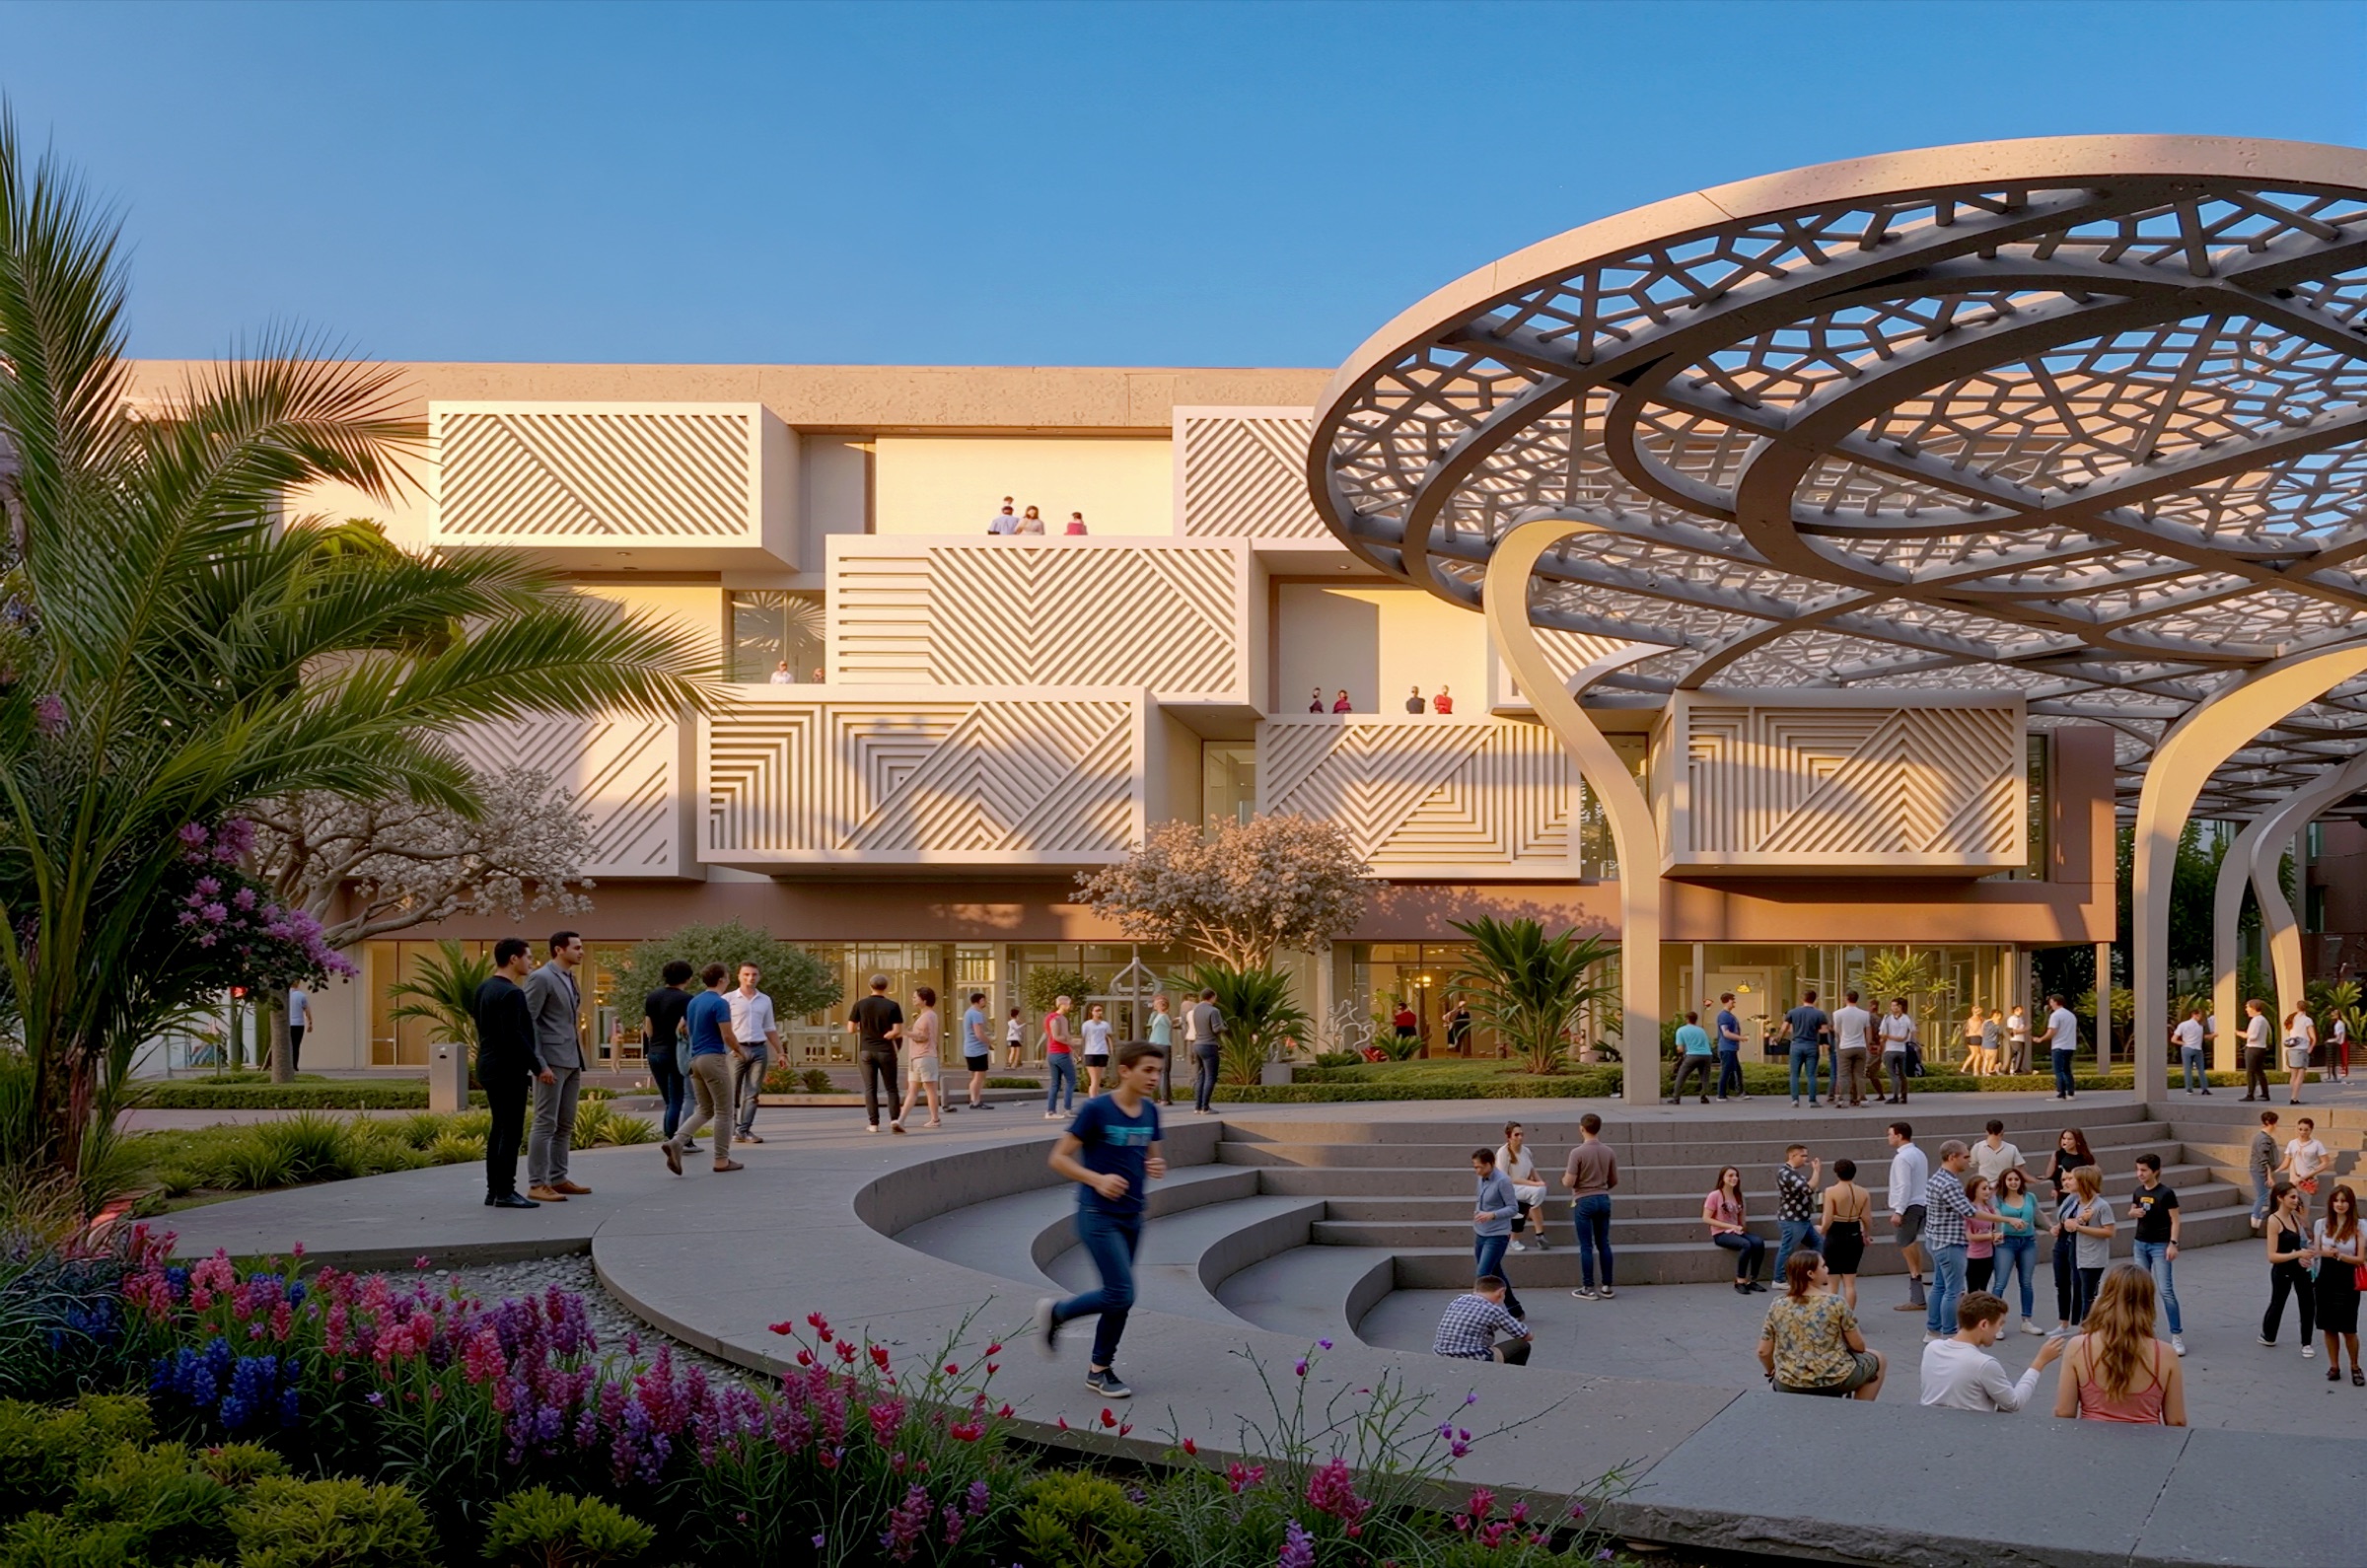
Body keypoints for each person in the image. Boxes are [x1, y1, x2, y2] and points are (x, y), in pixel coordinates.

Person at [1034, 1041, 1167, 1399]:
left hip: (1132, 1216)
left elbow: (1151, 1158)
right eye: (1147, 1070)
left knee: (1118, 1297)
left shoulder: (1151, 1112)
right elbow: (1058, 1158)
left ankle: (1099, 1370)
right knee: (1121, 1291)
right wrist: (1097, 1179)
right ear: (1125, 1070)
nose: (1155, 1076)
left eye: (1158, 1070)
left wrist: (1154, 1166)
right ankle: (1058, 1313)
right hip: (1097, 1215)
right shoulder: (1096, 1109)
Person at [2052, 1264, 2187, 1425]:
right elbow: (2176, 1421)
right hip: (2148, 1447)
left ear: (2106, 1297)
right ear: (2147, 1303)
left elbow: (2064, 1412)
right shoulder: (2166, 1354)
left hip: (2091, 1445)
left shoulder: (2079, 1346)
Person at [470, 937, 543, 1210]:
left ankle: (494, 1191)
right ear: (514, 959)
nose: (531, 962)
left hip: (489, 1065)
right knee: (510, 1132)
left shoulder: (484, 989)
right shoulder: (512, 994)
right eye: (528, 957)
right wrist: (538, 1067)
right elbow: (515, 1035)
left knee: (499, 1129)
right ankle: (506, 1191)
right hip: (507, 1068)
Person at [1757, 1252, 1885, 1400]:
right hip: (1836, 1378)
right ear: (1811, 1273)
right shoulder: (1835, 1302)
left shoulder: (1778, 1304)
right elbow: (1859, 1346)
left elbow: (1763, 1351)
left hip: (1790, 1381)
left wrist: (1772, 1370)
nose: (1827, 1269)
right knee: (1879, 1359)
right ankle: (1860, 1408)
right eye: (1823, 1266)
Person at [660, 962, 747, 1176]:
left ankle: (677, 1141)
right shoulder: (719, 1003)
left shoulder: (694, 1002)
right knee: (725, 1111)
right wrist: (740, 1050)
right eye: (727, 977)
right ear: (722, 980)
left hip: (694, 1060)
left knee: (705, 1109)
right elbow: (726, 1034)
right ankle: (721, 1160)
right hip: (713, 1058)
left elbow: (683, 1028)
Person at [523, 931, 588, 1204]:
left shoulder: (570, 978)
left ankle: (558, 1177)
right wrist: (539, 1063)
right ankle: (537, 1183)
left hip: (572, 1058)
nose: (581, 951)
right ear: (559, 950)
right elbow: (528, 1022)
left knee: (565, 1123)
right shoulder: (541, 978)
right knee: (545, 1122)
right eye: (577, 947)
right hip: (550, 1060)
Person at [1921, 1291, 2065, 1412]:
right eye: (2000, 1324)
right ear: (1984, 1324)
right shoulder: (1983, 1364)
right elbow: (2013, 1403)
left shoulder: (1932, 1348)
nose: (1999, 1331)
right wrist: (2039, 1362)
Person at [2127, 1152, 2187, 1356]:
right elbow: (2132, 1209)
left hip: (2160, 1245)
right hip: (2140, 1243)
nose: (2140, 1174)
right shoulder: (2137, 1191)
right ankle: (2144, 1331)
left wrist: (2173, 1244)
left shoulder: (2166, 1193)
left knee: (2165, 1290)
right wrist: (2132, 1213)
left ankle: (2176, 1334)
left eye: (2144, 1170)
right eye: (2138, 1170)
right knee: (2141, 1289)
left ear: (2155, 1171)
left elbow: (2175, 1220)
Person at [1921, 1140, 1978, 1342]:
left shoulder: (1936, 1178)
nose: (1968, 1161)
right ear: (1952, 1157)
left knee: (1939, 1285)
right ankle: (1949, 1332)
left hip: (1935, 1239)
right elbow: (1970, 1211)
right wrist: (2006, 1219)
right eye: (1965, 1156)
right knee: (1953, 1290)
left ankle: (1933, 1330)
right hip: (1949, 1243)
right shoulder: (1950, 1183)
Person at [2313, 1182, 2364, 1385]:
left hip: (2347, 1277)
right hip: (2325, 1276)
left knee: (2348, 1327)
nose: (2340, 1204)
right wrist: (2327, 1253)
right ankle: (2334, 1365)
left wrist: (2339, 1256)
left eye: (2344, 1201)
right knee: (2328, 1326)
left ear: (2350, 1204)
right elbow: (2316, 1251)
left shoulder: (2360, 1226)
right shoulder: (2321, 1224)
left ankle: (2355, 1366)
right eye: (2336, 1200)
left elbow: (2360, 1259)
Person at [1563, 1112, 1618, 1300]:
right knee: (1604, 1243)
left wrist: (1565, 1180)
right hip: (1603, 1198)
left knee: (1586, 1246)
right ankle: (1607, 1286)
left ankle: (1588, 1287)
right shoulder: (1608, 1151)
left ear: (1582, 1128)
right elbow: (1613, 1180)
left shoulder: (1577, 1153)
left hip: (1584, 1199)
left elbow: (1569, 1181)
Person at [1469, 1149, 1527, 1318]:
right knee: (1496, 1272)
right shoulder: (1481, 1178)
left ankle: (1476, 1312)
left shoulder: (1503, 1181)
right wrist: (1479, 1212)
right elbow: (1481, 1199)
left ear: (1490, 1164)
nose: (1476, 1171)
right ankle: (1514, 1308)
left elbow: (1513, 1208)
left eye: (1479, 1167)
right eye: (1475, 1167)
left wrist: (1492, 1214)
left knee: (1483, 1274)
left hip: (1497, 1235)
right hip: (1481, 1232)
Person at [641, 960, 695, 1144]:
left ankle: (668, 1135)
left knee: (668, 1099)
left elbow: (648, 1026)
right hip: (674, 1053)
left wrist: (654, 1041)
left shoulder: (653, 997)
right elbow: (685, 1028)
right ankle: (675, 1140)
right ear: (688, 978)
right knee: (677, 1099)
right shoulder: (687, 999)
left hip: (654, 1051)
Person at [727, 962, 780, 1145]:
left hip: (759, 1048)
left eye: (754, 975)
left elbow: (770, 1028)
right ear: (739, 976)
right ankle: (733, 1129)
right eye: (746, 974)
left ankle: (745, 1130)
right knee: (733, 1091)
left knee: (753, 1092)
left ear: (759, 977)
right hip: (736, 1049)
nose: (750, 978)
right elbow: (721, 1028)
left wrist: (781, 1052)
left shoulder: (764, 1000)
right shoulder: (728, 999)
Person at [2056, 1165, 2114, 1330]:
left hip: (2093, 1256)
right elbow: (2068, 1224)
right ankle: (2084, 1328)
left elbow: (2109, 1231)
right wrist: (2076, 1223)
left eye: (2072, 1178)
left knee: (2088, 1295)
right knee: (2080, 1293)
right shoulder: (2077, 1203)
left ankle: (2089, 1330)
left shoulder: (2101, 1206)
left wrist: (2079, 1227)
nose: (2068, 1181)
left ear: (2083, 1182)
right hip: (2077, 1254)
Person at [2260, 1182, 2316, 1356]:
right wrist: (2297, 1254)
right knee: (2278, 1302)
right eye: (2292, 1197)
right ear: (2280, 1198)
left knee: (2308, 1303)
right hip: (2282, 1268)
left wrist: (2304, 1221)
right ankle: (2268, 1334)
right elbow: (2272, 1256)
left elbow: (2310, 1238)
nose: (2296, 1200)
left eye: (2296, 1196)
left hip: (2299, 1267)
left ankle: (2306, 1343)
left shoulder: (2295, 1217)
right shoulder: (2274, 1220)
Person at [846, 973, 905, 1133]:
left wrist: (864, 1029)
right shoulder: (893, 1006)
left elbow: (850, 1029)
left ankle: (873, 1124)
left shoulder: (860, 1004)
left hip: (866, 1050)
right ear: (886, 987)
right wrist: (888, 1034)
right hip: (886, 1051)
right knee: (891, 1088)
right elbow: (897, 1031)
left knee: (870, 1088)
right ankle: (895, 1120)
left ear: (870, 986)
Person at [1990, 1167, 2044, 1335]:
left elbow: (2038, 1216)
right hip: (2006, 1243)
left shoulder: (2030, 1197)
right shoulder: (1997, 1199)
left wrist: (2052, 1227)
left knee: (2026, 1282)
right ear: (2004, 1182)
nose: (2013, 1182)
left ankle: (2026, 1320)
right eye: (2010, 1179)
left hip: (2028, 1242)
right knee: (2000, 1282)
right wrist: (1999, 1232)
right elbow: (1996, 1219)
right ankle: (1995, 1323)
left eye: (2016, 1179)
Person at [1432, 1275, 1531, 1364]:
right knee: (1522, 1345)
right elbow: (1525, 1335)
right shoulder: (1494, 1310)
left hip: (1441, 1354)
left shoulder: (1459, 1300)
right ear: (1501, 1293)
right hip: (1471, 1358)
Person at [1887, 1122, 1930, 1314]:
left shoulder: (1903, 1158)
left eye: (1890, 1134)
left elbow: (1904, 1185)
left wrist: (1899, 1210)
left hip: (1909, 1206)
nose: (1889, 1138)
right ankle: (1917, 1286)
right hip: (1921, 1202)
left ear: (1899, 1135)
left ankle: (1917, 1293)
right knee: (1911, 1243)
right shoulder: (1919, 1154)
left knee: (1905, 1243)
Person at [1704, 1166, 1765, 1293]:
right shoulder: (1715, 1195)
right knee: (1746, 1245)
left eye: (1736, 1175)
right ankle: (1740, 1281)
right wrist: (1731, 1226)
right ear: (1723, 1178)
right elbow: (1706, 1218)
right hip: (1720, 1233)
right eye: (1730, 1175)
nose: (1734, 1178)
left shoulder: (1738, 1196)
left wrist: (1742, 1229)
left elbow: (1741, 1219)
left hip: (1737, 1231)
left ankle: (1753, 1280)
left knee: (1758, 1242)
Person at [1820, 1158, 1871, 1310]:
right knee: (1850, 1282)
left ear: (1836, 1173)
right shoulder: (1863, 1192)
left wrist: (1822, 1230)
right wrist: (1866, 1234)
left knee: (1832, 1281)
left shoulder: (1831, 1191)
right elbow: (1867, 1218)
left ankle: (1832, 1317)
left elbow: (1828, 1217)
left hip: (1836, 1232)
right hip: (1854, 1231)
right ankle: (1849, 1318)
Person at [1772, 1142, 1823, 1285]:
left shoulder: (1793, 1173)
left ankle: (1814, 1274)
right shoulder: (1786, 1173)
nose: (1806, 1159)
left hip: (1801, 1219)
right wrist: (1817, 1171)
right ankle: (1779, 1279)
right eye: (1803, 1155)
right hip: (1792, 1219)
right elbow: (1808, 1189)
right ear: (1792, 1155)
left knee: (1819, 1245)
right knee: (1787, 1248)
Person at [1497, 1122, 1549, 1252]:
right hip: (1509, 1189)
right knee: (1531, 1197)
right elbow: (1505, 1179)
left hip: (1524, 1188)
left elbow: (1532, 1170)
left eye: (1521, 1134)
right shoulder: (1503, 1153)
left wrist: (1540, 1181)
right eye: (1516, 1134)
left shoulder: (1526, 1151)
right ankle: (1516, 1238)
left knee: (1536, 1195)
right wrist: (1534, 1184)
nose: (1520, 1137)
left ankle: (1539, 1234)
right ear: (1509, 1137)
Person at [899, 985, 944, 1128]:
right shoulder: (927, 1015)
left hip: (925, 1056)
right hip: (918, 1057)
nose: (913, 999)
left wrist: (906, 1033)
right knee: (913, 1089)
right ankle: (901, 1120)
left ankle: (935, 1119)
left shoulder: (927, 1016)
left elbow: (923, 1037)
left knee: (929, 1088)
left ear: (924, 1000)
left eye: (915, 997)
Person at [1783, 990, 1830, 1109]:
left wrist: (1778, 1038)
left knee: (1794, 1074)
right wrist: (1822, 1039)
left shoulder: (1792, 1012)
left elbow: (1784, 1028)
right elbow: (1824, 1031)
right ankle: (1812, 1100)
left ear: (1802, 999)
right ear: (1815, 999)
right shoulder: (1820, 1014)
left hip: (1796, 1044)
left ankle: (1795, 1100)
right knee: (1811, 1074)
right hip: (1812, 1045)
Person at [1828, 990, 1872, 1107]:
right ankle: (1862, 1098)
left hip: (1845, 1046)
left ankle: (1843, 1099)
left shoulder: (1838, 1013)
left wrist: (1843, 1036)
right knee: (1859, 1074)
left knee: (1844, 1074)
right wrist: (1868, 1045)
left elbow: (1837, 1030)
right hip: (1860, 1046)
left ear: (1846, 998)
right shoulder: (1865, 1014)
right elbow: (1868, 1032)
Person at [2037, 991, 2079, 1101]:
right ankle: (2070, 1093)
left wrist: (2041, 1039)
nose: (2050, 1004)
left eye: (2051, 1001)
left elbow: (2052, 1031)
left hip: (2059, 1046)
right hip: (2070, 1046)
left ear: (2055, 1002)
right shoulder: (2071, 1015)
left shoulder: (2056, 1015)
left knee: (2059, 1071)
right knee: (2067, 1070)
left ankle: (2061, 1094)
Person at [1041, 995, 1078, 1120]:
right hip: (1059, 1053)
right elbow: (1057, 1036)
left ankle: (1051, 1111)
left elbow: (1059, 1035)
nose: (1070, 1006)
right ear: (1062, 1004)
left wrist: (1071, 1047)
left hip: (1054, 1053)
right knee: (1071, 1080)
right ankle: (1066, 1109)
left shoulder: (1058, 1018)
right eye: (1069, 1003)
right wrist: (1073, 1043)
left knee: (1055, 1084)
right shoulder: (1055, 1019)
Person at [1187, 987, 1223, 1114]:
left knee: (1201, 1076)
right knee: (1210, 1076)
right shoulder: (1214, 1011)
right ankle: (1205, 1107)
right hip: (1209, 1045)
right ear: (1212, 997)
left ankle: (1197, 1106)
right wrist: (1224, 1026)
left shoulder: (1195, 1010)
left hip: (1197, 1045)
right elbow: (1216, 1028)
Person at [2277, 1115, 2330, 1200]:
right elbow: (2287, 1162)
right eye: (2300, 1129)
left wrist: (2307, 1176)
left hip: (2309, 1180)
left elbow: (2325, 1162)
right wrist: (2276, 1171)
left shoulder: (2316, 1144)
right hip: (2294, 1179)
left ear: (2311, 1130)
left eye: (2306, 1130)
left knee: (2305, 1204)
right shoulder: (2292, 1143)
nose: (2302, 1132)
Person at [1964, 1176, 1999, 1297]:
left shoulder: (1989, 1209)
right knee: (1973, 1289)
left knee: (1983, 1288)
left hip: (1988, 1254)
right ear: (1974, 1190)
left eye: (1988, 1188)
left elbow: (1993, 1228)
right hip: (1973, 1256)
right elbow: (1969, 1236)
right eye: (1984, 1189)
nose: (1987, 1192)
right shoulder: (1969, 1210)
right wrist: (1990, 1236)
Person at [2041, 1126, 2094, 1208]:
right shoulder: (2058, 1155)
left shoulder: (2085, 1157)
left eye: (2069, 1139)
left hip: (2081, 1193)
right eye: (2064, 1138)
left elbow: (2094, 1175)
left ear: (2077, 1141)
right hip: (2064, 1193)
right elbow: (2049, 1175)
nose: (2065, 1141)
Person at [1670, 1010, 1715, 1104]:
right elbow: (1709, 1043)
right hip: (1706, 1055)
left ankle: (1676, 1098)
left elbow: (1680, 1048)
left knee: (1681, 1076)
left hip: (1692, 1055)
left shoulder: (1681, 1030)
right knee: (1705, 1077)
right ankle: (1704, 1096)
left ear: (1687, 1019)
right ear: (1695, 1020)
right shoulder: (1701, 1030)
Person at [1876, 998, 1914, 1103]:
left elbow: (1882, 1034)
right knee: (1902, 1074)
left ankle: (1896, 1096)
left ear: (1900, 1007)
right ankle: (1904, 1095)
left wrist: (1888, 1037)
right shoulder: (1906, 1018)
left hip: (1891, 1050)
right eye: (1892, 1005)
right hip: (1901, 1049)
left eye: (1894, 1006)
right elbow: (1911, 1034)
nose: (1892, 1008)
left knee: (1893, 1074)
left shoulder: (1889, 1018)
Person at [961, 991, 994, 1110]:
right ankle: (975, 1101)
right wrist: (990, 1042)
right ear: (980, 1001)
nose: (985, 1002)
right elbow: (979, 1033)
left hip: (969, 1048)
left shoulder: (968, 1013)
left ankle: (974, 1099)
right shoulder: (976, 1014)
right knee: (979, 1076)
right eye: (984, 1000)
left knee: (975, 1076)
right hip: (977, 1049)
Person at [1972, 1119, 2025, 1193]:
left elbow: (1973, 1163)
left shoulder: (1977, 1147)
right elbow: (2019, 1167)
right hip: (2004, 1186)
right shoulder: (2012, 1148)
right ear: (2002, 1132)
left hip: (1985, 1186)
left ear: (1986, 1132)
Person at [2249, 1108, 2280, 1230]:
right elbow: (2264, 1158)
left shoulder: (2259, 1137)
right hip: (2260, 1170)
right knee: (2263, 1195)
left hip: (2256, 1168)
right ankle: (2256, 1217)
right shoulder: (2265, 1139)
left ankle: (2259, 1217)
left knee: (2264, 1194)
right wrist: (2269, 1175)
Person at [1713, 992, 1747, 1101]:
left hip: (1731, 1048)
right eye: (1732, 1000)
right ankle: (1721, 1094)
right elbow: (1726, 1033)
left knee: (1736, 1070)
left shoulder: (1730, 1015)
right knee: (1727, 1070)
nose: (1734, 1002)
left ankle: (1738, 1091)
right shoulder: (1724, 1016)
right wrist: (1741, 1038)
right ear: (1727, 1001)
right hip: (1727, 1047)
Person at [1076, 1001, 1113, 1098]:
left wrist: (1111, 1051)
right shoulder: (1086, 1024)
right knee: (1094, 1079)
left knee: (1098, 1078)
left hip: (1102, 1052)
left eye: (1100, 1010)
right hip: (1090, 1052)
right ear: (1092, 1012)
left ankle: (1095, 1098)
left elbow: (1109, 1038)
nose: (1099, 1012)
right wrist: (1079, 1054)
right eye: (1097, 1010)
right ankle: (1093, 1099)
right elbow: (1083, 1039)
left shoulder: (1105, 1024)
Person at [2241, 997, 2274, 1102]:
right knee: (2259, 1071)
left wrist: (2241, 1034)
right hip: (2260, 1048)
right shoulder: (2262, 1019)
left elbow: (2253, 1036)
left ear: (2253, 1008)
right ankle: (2265, 1093)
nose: (2246, 1009)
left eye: (2247, 1007)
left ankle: (2250, 1094)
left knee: (2250, 1072)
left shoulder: (2256, 1021)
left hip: (2253, 1048)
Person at [2172, 1006, 2210, 1095]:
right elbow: (2203, 1037)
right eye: (2199, 1015)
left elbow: (2174, 1039)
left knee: (2188, 1070)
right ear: (2194, 1015)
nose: (2201, 1017)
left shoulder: (2183, 1025)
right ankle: (2204, 1088)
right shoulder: (2200, 1027)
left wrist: (2183, 1043)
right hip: (2198, 1049)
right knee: (2201, 1070)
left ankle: (2189, 1089)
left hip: (2187, 1049)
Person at [2284, 1003, 2317, 1105]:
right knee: (2300, 1074)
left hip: (2291, 1048)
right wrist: (2311, 1047)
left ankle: (2293, 1095)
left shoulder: (2292, 1019)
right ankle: (2294, 1097)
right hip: (2302, 1048)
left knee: (2293, 1074)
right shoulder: (2307, 1020)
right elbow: (2313, 1037)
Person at [1146, 993, 1174, 1105]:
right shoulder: (1164, 1017)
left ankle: (1155, 1097)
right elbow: (1171, 1025)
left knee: (1154, 1071)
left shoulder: (1156, 1017)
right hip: (1163, 1045)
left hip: (1153, 1044)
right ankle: (1164, 1098)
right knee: (1164, 1072)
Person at [285, 983, 311, 1075]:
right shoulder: (301, 995)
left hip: (287, 1023)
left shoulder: (284, 995)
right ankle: (294, 1065)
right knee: (296, 1046)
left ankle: (286, 1065)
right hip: (298, 1024)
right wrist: (310, 1022)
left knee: (287, 1046)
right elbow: (307, 1010)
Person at [2004, 1004, 2031, 1074]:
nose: (2020, 1011)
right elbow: (2012, 1031)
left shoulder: (2020, 1019)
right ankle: (2015, 1069)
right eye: (2018, 1010)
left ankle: (2015, 1068)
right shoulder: (2011, 1019)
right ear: (2014, 1011)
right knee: (2017, 1054)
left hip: (2021, 1039)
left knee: (2020, 1054)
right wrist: (2025, 1029)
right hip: (2015, 1039)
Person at [1005, 1005, 1026, 1070]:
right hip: (1013, 1038)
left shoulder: (1013, 1022)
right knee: (1016, 1051)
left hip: (1013, 1038)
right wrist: (1024, 1024)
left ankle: (1011, 1063)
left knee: (1013, 1051)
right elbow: (1017, 1028)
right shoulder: (1012, 1022)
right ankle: (1013, 1063)